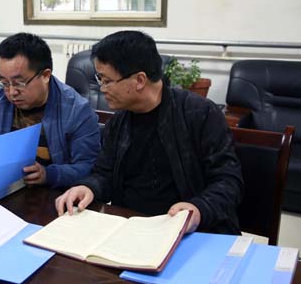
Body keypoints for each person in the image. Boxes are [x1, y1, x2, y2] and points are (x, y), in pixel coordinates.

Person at [55, 31, 242, 234]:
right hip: (130, 228)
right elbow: (104, 173)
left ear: (139, 80)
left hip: (190, 231)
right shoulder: (118, 122)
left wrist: (198, 209)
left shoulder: (199, 113)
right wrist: (88, 187)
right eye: (100, 80)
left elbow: (228, 181)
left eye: (107, 81)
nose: (102, 89)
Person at [0, 32, 100, 188]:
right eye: (5, 82)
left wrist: (48, 175)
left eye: (19, 83)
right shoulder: (0, 97)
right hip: (6, 188)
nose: (11, 92)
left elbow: (87, 167)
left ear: (45, 75)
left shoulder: (77, 110)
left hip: (53, 194)